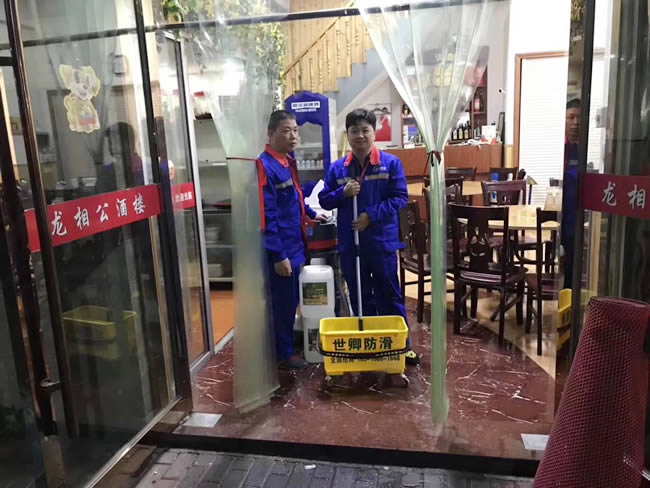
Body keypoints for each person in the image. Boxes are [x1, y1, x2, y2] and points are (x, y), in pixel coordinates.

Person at [319, 108, 419, 366]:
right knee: (359, 294)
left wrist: (370, 215)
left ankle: (401, 345)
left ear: (374, 133)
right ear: (348, 135)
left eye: (365, 130)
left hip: (381, 241)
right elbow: (324, 200)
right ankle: (369, 342)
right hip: (350, 243)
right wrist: (342, 193)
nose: (360, 135)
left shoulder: (390, 163)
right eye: (354, 131)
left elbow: (400, 198)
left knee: (389, 292)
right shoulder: (338, 169)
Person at [259, 110, 326, 370]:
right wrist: (278, 255)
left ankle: (285, 344)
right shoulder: (265, 166)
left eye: (295, 130)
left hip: (297, 244)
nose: (293, 136)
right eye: (286, 131)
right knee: (283, 304)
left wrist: (311, 213)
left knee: (291, 300)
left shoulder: (286, 162)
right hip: (283, 249)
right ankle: (282, 355)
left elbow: (294, 198)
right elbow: (267, 216)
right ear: (271, 133)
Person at [562, 98, 580, 289]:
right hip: (563, 211)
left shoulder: (582, 148)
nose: (575, 122)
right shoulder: (561, 148)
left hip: (577, 213)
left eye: (579, 118)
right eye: (571, 117)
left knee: (574, 257)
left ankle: (571, 292)